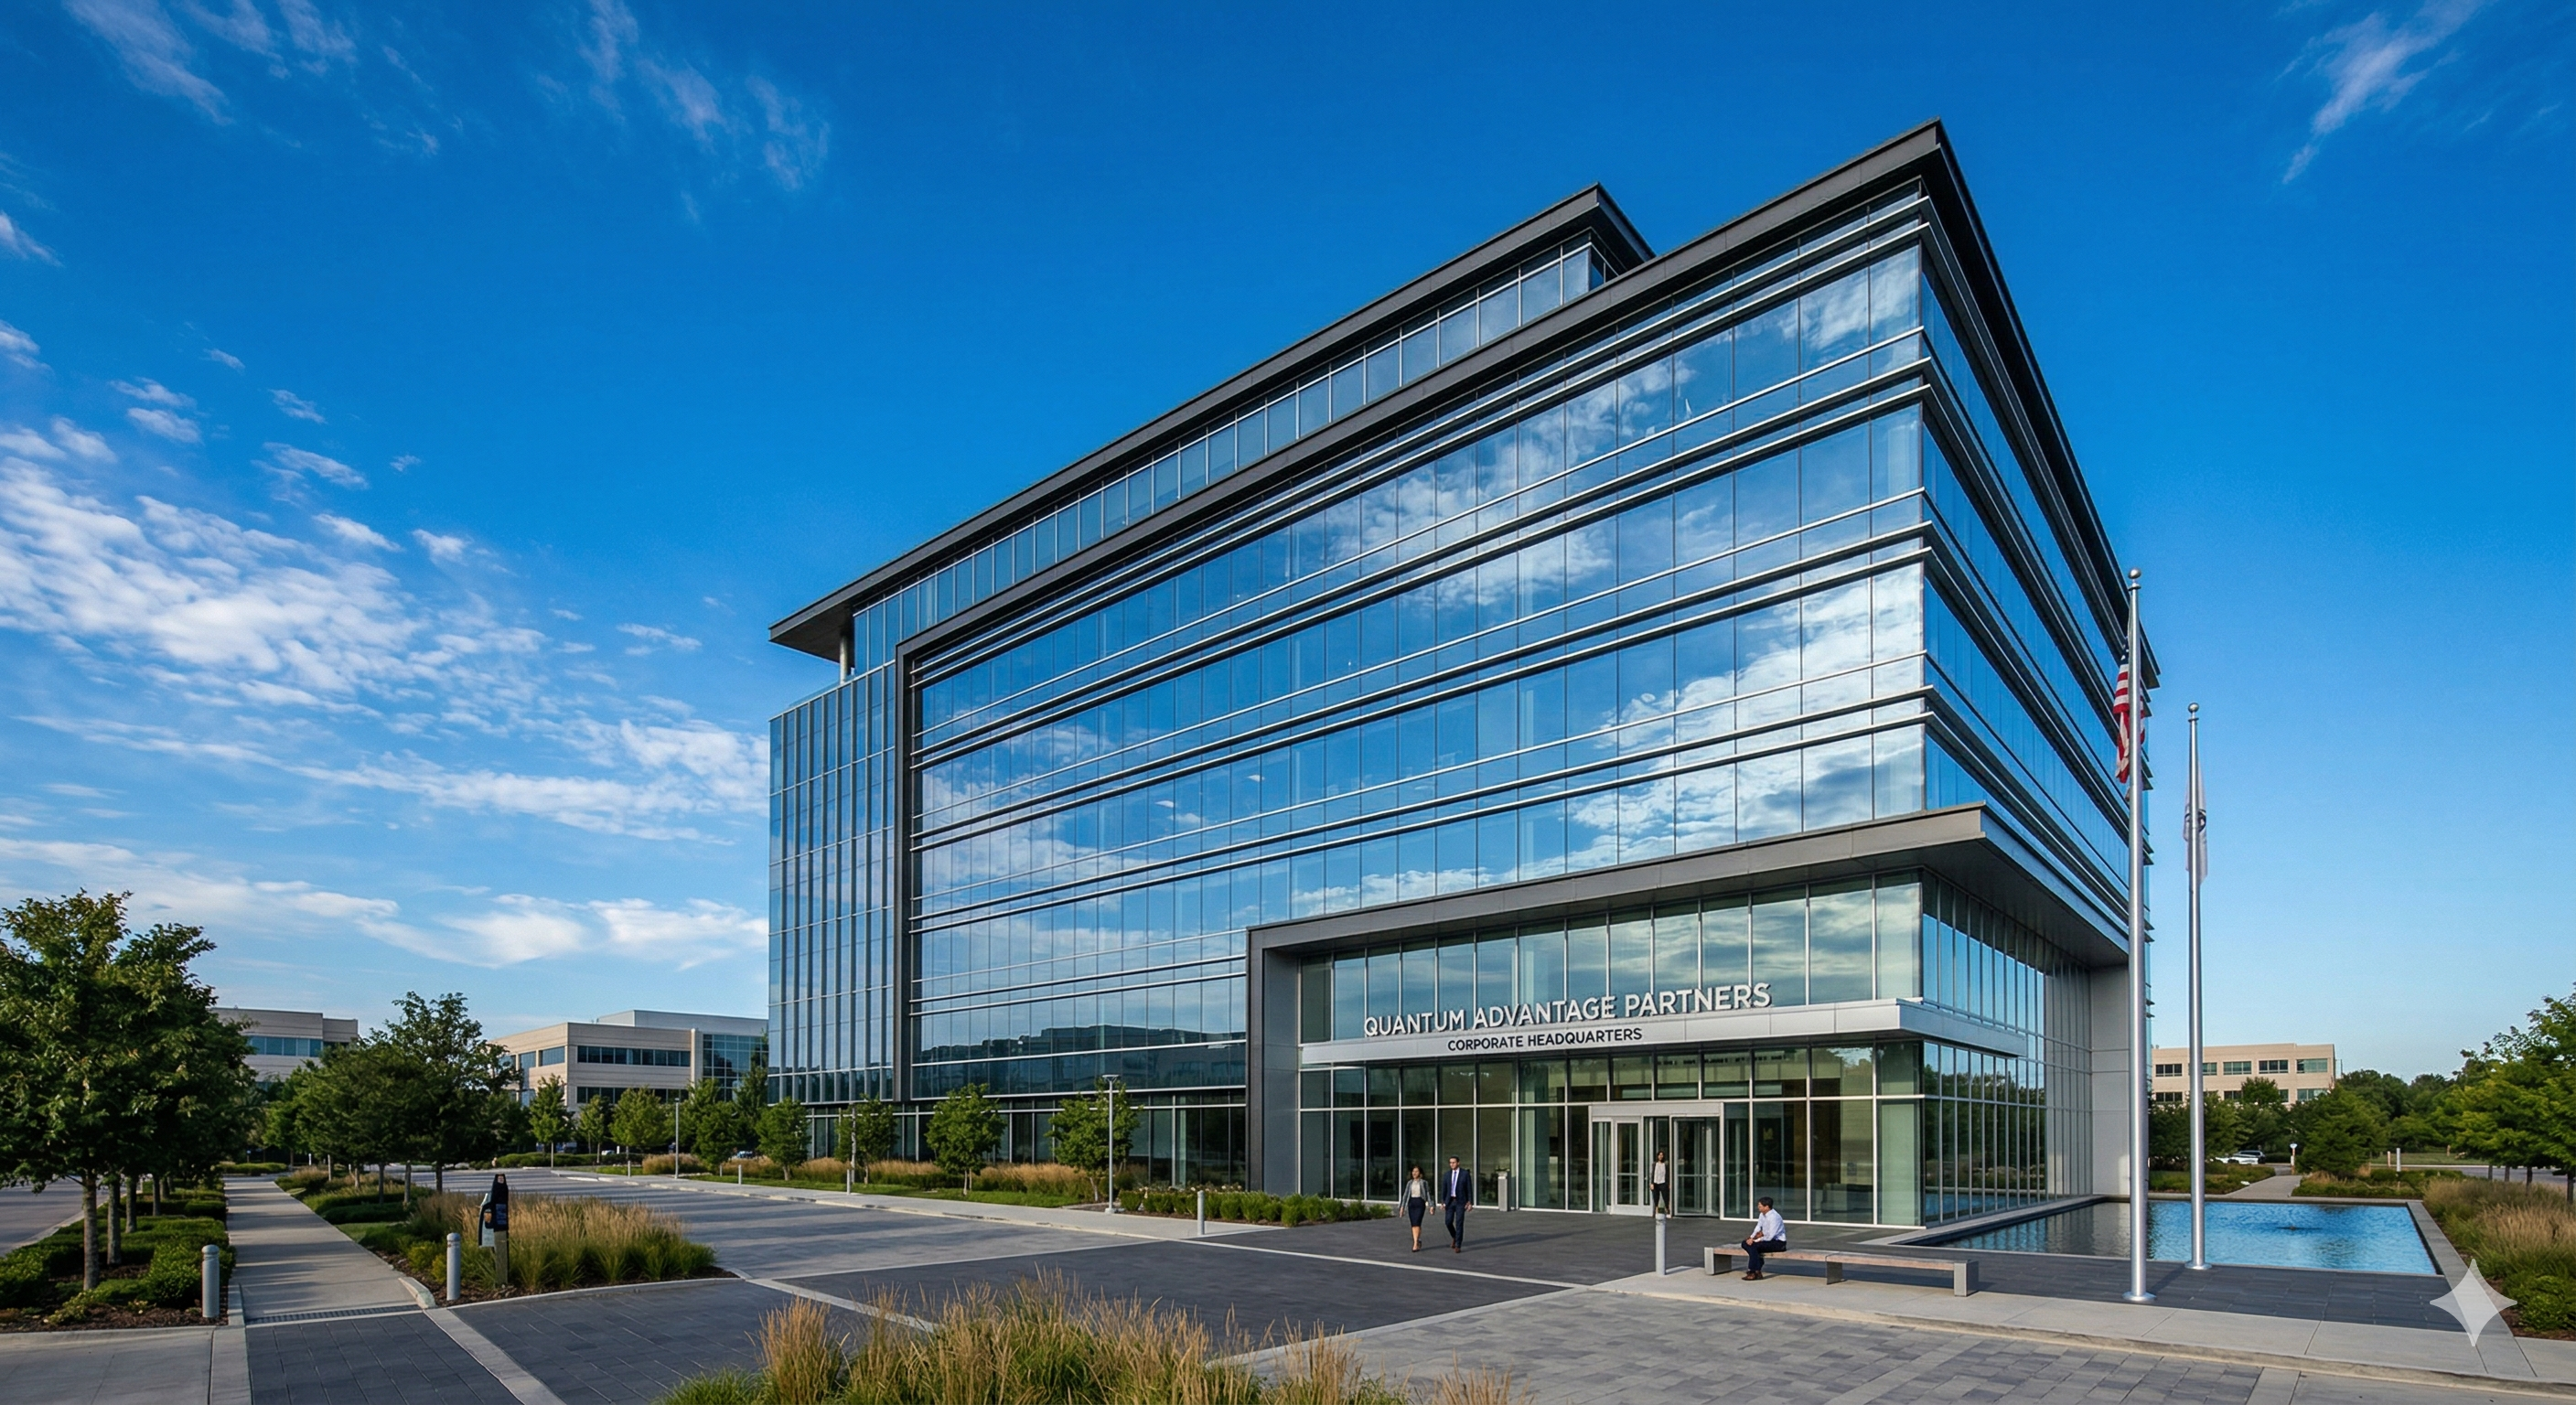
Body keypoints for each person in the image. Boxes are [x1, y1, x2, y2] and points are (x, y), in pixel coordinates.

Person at [1740, 1195, 1786, 1280]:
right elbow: (1758, 1227)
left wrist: (1756, 1240)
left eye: (1760, 1206)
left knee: (1753, 1246)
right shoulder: (1762, 1214)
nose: (1758, 1208)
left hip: (1778, 1242)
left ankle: (1753, 1271)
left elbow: (1770, 1237)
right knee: (1745, 1243)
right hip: (1765, 1240)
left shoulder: (1774, 1217)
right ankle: (1756, 1271)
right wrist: (1751, 1238)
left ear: (1767, 1207)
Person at [1442, 1155, 1472, 1253]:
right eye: (1450, 1163)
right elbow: (1444, 1189)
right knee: (1448, 1222)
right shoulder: (1447, 1175)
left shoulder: (1465, 1174)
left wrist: (1469, 1202)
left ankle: (1458, 1244)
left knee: (1459, 1223)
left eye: (1454, 1162)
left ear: (1458, 1163)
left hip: (1460, 1201)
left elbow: (1469, 1188)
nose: (1452, 1164)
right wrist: (1443, 1202)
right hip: (1450, 1201)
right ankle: (1455, 1236)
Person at [1403, 1165, 1429, 1251]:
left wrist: (1431, 1205)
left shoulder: (1424, 1182)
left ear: (1420, 1173)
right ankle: (1417, 1240)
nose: (1414, 1173)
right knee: (1413, 1224)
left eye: (1416, 1171)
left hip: (1420, 1202)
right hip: (1411, 1203)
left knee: (1417, 1222)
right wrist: (1402, 1207)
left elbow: (1428, 1193)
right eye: (1413, 1171)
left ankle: (1415, 1244)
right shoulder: (1409, 1183)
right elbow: (1406, 1195)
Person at [1650, 1150, 1669, 1217]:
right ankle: (1656, 1210)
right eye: (1659, 1155)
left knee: (1665, 1197)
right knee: (1656, 1197)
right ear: (1657, 1156)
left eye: (1662, 1155)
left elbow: (1667, 1175)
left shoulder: (1665, 1164)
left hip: (1663, 1182)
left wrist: (1668, 1183)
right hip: (1656, 1182)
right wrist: (1652, 1183)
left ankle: (1667, 1209)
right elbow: (1653, 1174)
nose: (1660, 1156)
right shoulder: (1655, 1164)